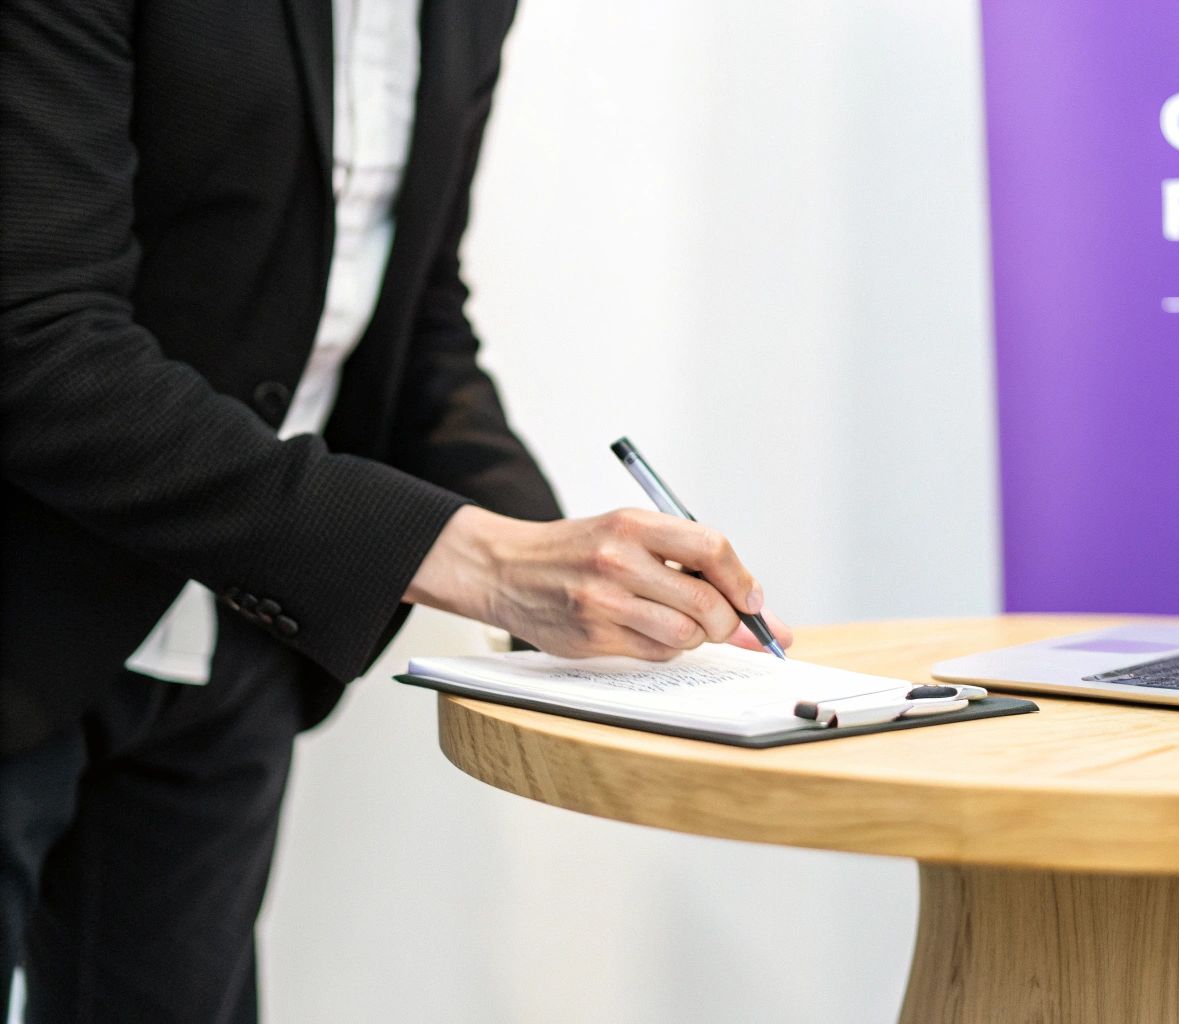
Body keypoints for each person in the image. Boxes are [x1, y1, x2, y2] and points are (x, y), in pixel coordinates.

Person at [0, 0, 788, 1019]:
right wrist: (476, 560)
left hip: (233, 636)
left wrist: (567, 568)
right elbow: (37, 336)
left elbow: (415, 324)